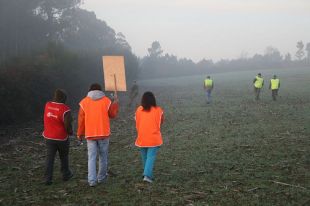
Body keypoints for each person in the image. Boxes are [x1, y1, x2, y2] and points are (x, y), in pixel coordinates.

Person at [77, 83, 119, 187]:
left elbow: (81, 120)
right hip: (104, 134)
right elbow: (112, 115)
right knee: (103, 157)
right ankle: (102, 178)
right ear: (100, 90)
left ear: (89, 90)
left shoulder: (84, 102)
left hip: (90, 135)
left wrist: (80, 133)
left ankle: (92, 181)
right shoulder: (107, 101)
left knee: (91, 158)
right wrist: (115, 103)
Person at [42, 89, 73, 185]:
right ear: (64, 98)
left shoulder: (47, 105)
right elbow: (67, 125)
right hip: (61, 138)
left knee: (49, 158)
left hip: (48, 136)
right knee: (63, 156)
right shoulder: (65, 109)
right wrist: (70, 132)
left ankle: (47, 179)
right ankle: (66, 174)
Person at [135, 91, 164, 183]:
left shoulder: (138, 110)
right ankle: (147, 175)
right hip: (153, 138)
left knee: (145, 157)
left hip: (142, 137)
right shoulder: (158, 110)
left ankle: (147, 174)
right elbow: (161, 121)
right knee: (150, 157)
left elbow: (136, 121)